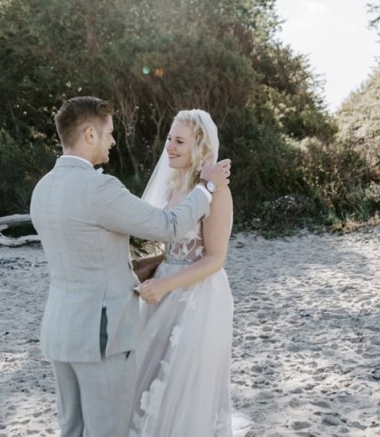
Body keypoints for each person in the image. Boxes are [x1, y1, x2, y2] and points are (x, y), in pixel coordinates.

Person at [30, 97, 231, 437]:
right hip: (100, 333)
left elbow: (89, 250)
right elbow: (167, 228)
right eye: (109, 133)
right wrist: (207, 187)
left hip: (60, 330)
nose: (113, 141)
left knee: (72, 428)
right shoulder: (100, 188)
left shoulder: (43, 188)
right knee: (107, 429)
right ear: (90, 134)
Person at [130, 109, 247, 437]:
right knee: (150, 373)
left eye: (179, 141)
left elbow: (215, 258)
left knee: (181, 380)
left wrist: (166, 284)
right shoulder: (171, 188)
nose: (170, 146)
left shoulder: (217, 193)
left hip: (200, 295)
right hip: (162, 288)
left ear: (202, 149)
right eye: (169, 138)